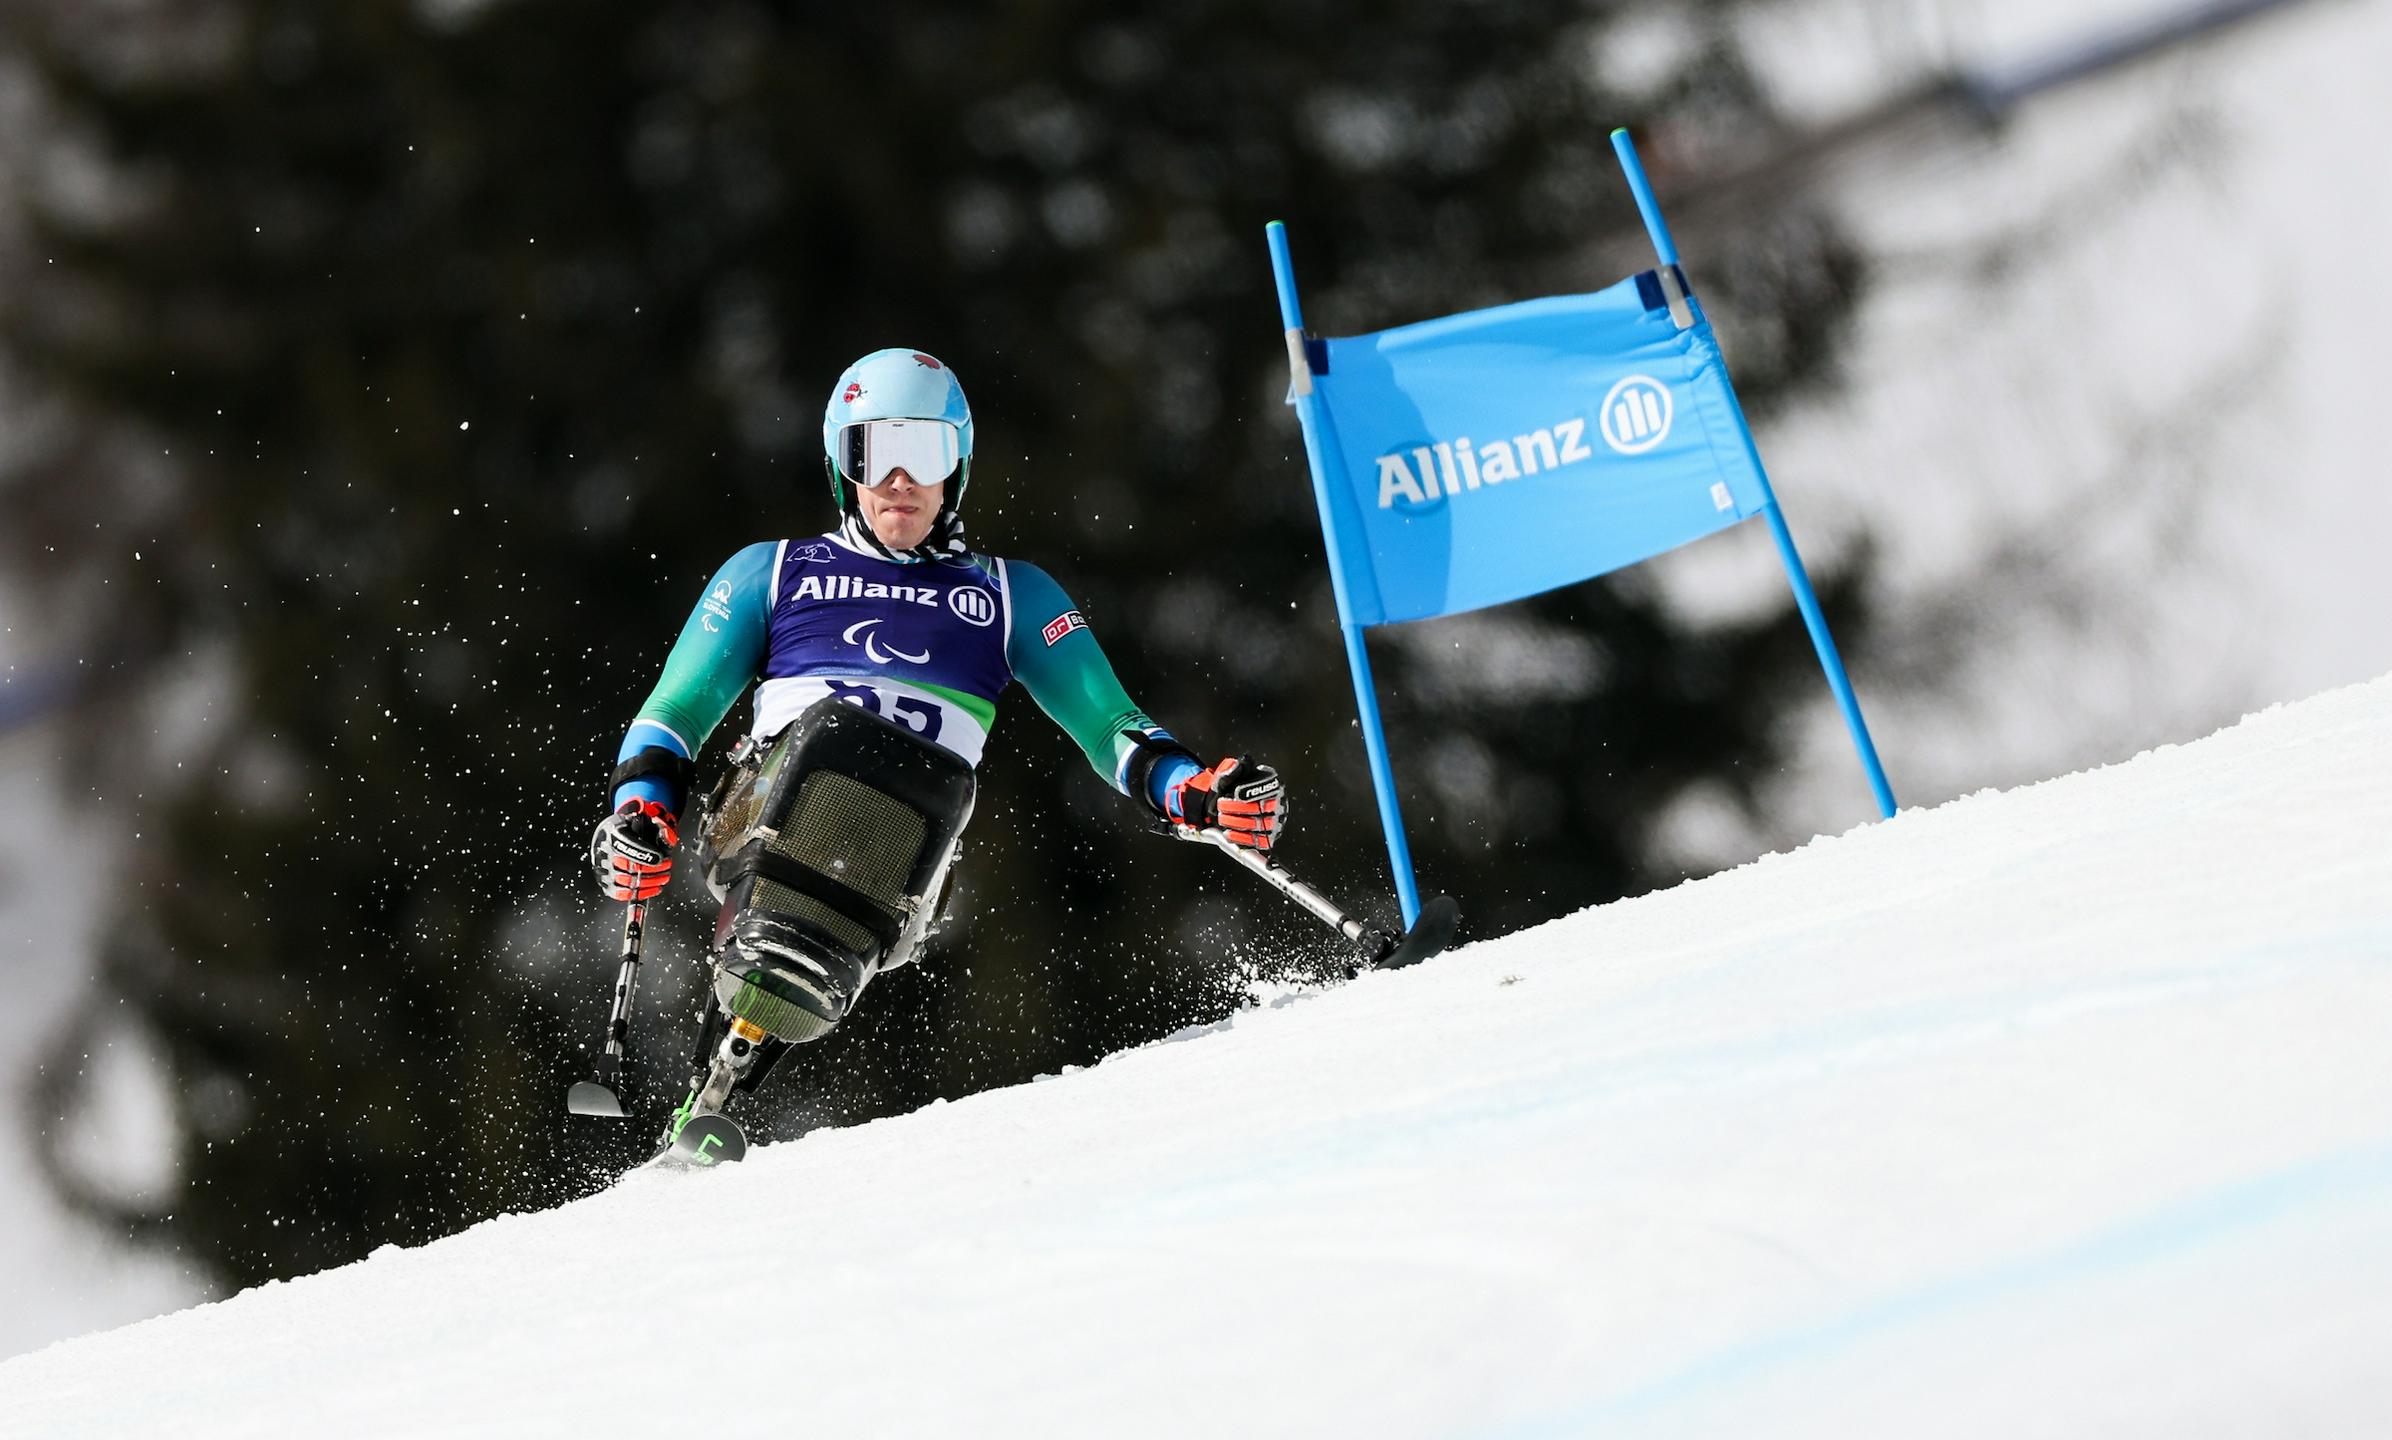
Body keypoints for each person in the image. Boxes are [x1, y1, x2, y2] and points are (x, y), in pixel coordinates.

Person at [588, 347, 1288, 1142]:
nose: (899, 480)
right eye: (873, 454)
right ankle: (724, 1064)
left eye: (924, 452)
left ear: (956, 467)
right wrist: (641, 811)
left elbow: (1109, 725)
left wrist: (1192, 789)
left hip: (901, 861)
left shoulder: (1010, 594)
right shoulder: (773, 573)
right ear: (841, 466)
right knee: (836, 740)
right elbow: (676, 708)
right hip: (765, 824)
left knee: (918, 774)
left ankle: (734, 1075)